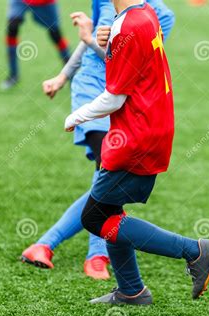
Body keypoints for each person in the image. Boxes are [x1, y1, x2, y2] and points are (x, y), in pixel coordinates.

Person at [61, 0, 209, 304]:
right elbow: (134, 65)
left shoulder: (128, 25)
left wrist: (76, 116)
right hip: (150, 127)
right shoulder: (146, 14)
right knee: (110, 209)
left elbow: (114, 97)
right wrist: (110, 44)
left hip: (134, 136)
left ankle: (195, 251)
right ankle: (131, 290)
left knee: (95, 218)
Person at [21, 0, 175, 280]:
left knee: (107, 183)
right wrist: (63, 76)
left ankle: (47, 244)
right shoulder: (108, 1)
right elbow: (90, 45)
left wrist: (93, 39)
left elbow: (129, 61)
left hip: (122, 102)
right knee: (106, 176)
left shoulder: (159, 16)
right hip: (93, 92)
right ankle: (95, 257)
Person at [1, 0, 71, 90]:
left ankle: (70, 72)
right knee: (12, 27)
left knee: (55, 34)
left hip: (44, 3)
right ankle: (13, 75)